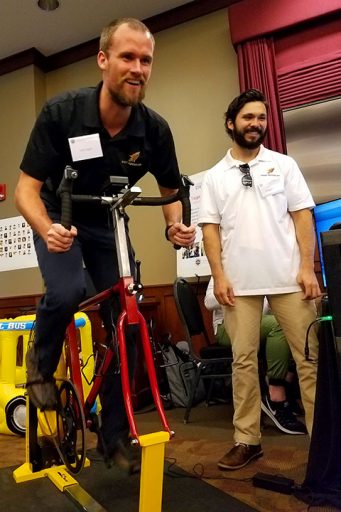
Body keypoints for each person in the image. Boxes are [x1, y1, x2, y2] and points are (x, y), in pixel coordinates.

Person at [14, 18, 195, 472]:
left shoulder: (154, 130)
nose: (137, 68)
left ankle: (114, 435)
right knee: (67, 292)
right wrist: (46, 228)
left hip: (108, 219)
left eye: (146, 60)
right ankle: (41, 363)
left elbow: (172, 191)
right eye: (127, 57)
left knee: (129, 321)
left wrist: (174, 226)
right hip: (61, 214)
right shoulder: (62, 113)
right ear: (103, 60)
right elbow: (25, 190)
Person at [198, 89, 320, 471]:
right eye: (248, 117)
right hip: (239, 285)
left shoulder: (284, 165)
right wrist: (219, 276)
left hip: (290, 279)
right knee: (243, 362)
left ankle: (324, 440)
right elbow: (210, 231)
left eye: (261, 118)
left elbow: (303, 217)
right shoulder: (214, 177)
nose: (256, 124)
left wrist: (307, 267)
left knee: (309, 360)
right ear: (231, 123)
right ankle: (247, 440)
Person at [205, 277, 307, 435]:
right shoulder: (227, 265)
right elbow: (209, 301)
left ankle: (284, 385)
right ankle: (275, 394)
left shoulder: (265, 269)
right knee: (280, 326)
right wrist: (240, 292)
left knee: (296, 326)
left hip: (259, 321)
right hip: (225, 326)